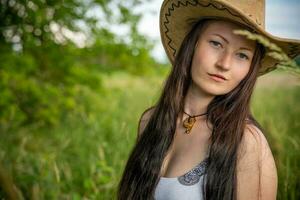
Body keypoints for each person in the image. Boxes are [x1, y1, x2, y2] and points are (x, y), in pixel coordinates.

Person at [117, 0, 300, 200]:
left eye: (242, 55)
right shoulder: (149, 121)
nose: (224, 64)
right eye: (216, 43)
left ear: (250, 68)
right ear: (192, 43)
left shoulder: (246, 142)